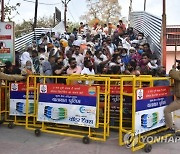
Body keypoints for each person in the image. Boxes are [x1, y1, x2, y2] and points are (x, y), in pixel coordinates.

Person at [164, 61, 180, 133]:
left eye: (179, 64)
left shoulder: (178, 73)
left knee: (167, 110)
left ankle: (171, 128)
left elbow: (173, 74)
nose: (178, 65)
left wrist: (173, 68)